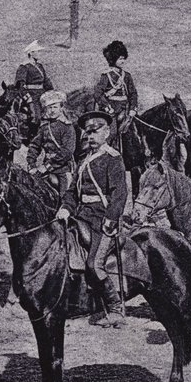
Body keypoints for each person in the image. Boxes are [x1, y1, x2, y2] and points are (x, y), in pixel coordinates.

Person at [56, 111, 129, 327]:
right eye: (87, 132)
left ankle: (116, 309)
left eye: (95, 131)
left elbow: (119, 193)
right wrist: (66, 208)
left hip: (101, 218)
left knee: (94, 263)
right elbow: (72, 192)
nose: (90, 136)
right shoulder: (83, 160)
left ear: (107, 132)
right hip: (81, 215)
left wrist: (111, 218)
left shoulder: (113, 158)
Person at [26, 90, 76, 196]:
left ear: (61, 108)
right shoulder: (44, 127)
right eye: (49, 107)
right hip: (44, 169)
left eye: (55, 107)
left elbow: (67, 152)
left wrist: (47, 166)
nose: (52, 110)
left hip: (62, 169)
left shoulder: (67, 127)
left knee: (66, 198)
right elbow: (35, 145)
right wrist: (31, 164)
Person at [94, 40, 138, 152]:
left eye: (124, 58)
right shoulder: (106, 76)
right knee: (112, 133)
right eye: (120, 59)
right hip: (111, 110)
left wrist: (133, 108)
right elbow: (98, 93)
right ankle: (103, 153)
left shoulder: (127, 76)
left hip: (125, 109)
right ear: (113, 59)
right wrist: (107, 107)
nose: (123, 61)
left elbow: (133, 93)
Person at [15, 40, 53, 124]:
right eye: (38, 51)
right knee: (36, 117)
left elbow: (46, 81)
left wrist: (52, 92)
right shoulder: (24, 67)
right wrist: (27, 97)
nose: (40, 54)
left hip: (42, 94)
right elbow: (20, 85)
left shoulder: (40, 66)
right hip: (32, 96)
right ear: (31, 53)